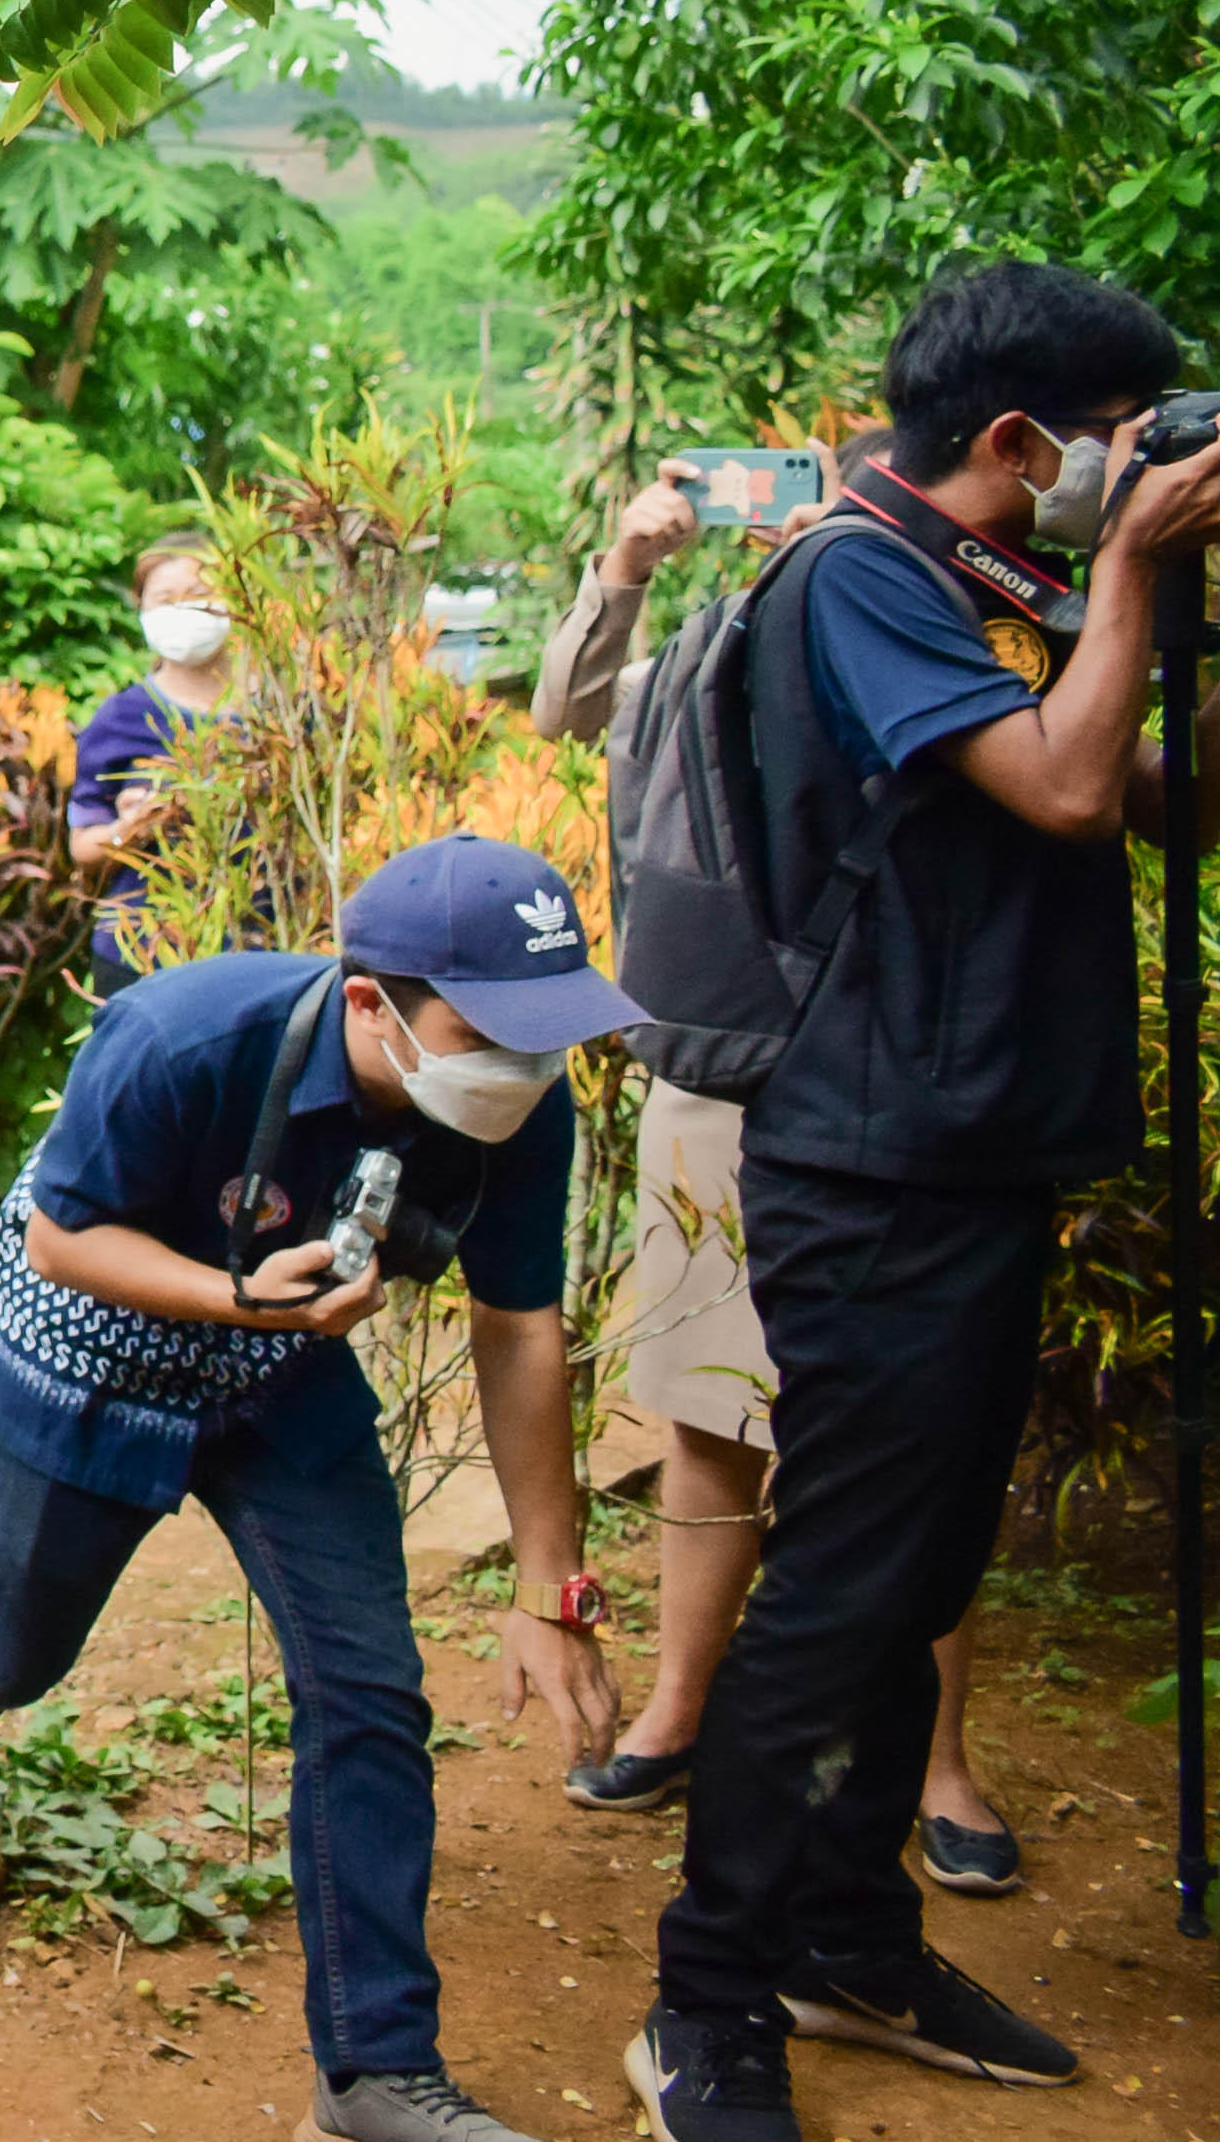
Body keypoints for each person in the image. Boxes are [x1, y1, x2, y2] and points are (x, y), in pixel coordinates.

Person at [633, 264, 1220, 2141]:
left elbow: (1153, 791)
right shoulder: (861, 576)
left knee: (917, 1572)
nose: (1140, 462)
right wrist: (1131, 569)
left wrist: (1168, 608)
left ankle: (848, 1940)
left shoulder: (996, 586)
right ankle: (705, 1999)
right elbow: (1065, 788)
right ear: (1019, 440)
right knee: (840, 1590)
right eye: (1122, 436)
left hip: (972, 1149)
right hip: (870, 1163)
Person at [0, 837, 643, 2142]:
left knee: (368, 1686)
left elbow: (518, 1327)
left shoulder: (512, 1108)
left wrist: (546, 1578)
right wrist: (232, 1295)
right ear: (369, 1004)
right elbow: (63, 1237)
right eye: (489, 1034)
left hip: (283, 1365)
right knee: (23, 1638)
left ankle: (373, 2074)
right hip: (95, 1334)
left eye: (543, 1034)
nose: (524, 1065)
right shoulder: (181, 1037)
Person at [529, 439, 1026, 1892]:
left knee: (909, 1445)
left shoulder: (961, 647)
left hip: (885, 1090)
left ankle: (936, 1760)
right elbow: (567, 709)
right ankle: (680, 1706)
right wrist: (628, 567)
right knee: (706, 1413)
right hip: (719, 1075)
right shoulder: (716, 652)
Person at [70, 534, 235, 997]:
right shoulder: (121, 718)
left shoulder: (278, 713)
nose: (184, 610)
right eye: (166, 599)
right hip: (144, 953)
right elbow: (82, 843)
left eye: (198, 594)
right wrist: (130, 828)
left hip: (259, 945)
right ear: (142, 608)